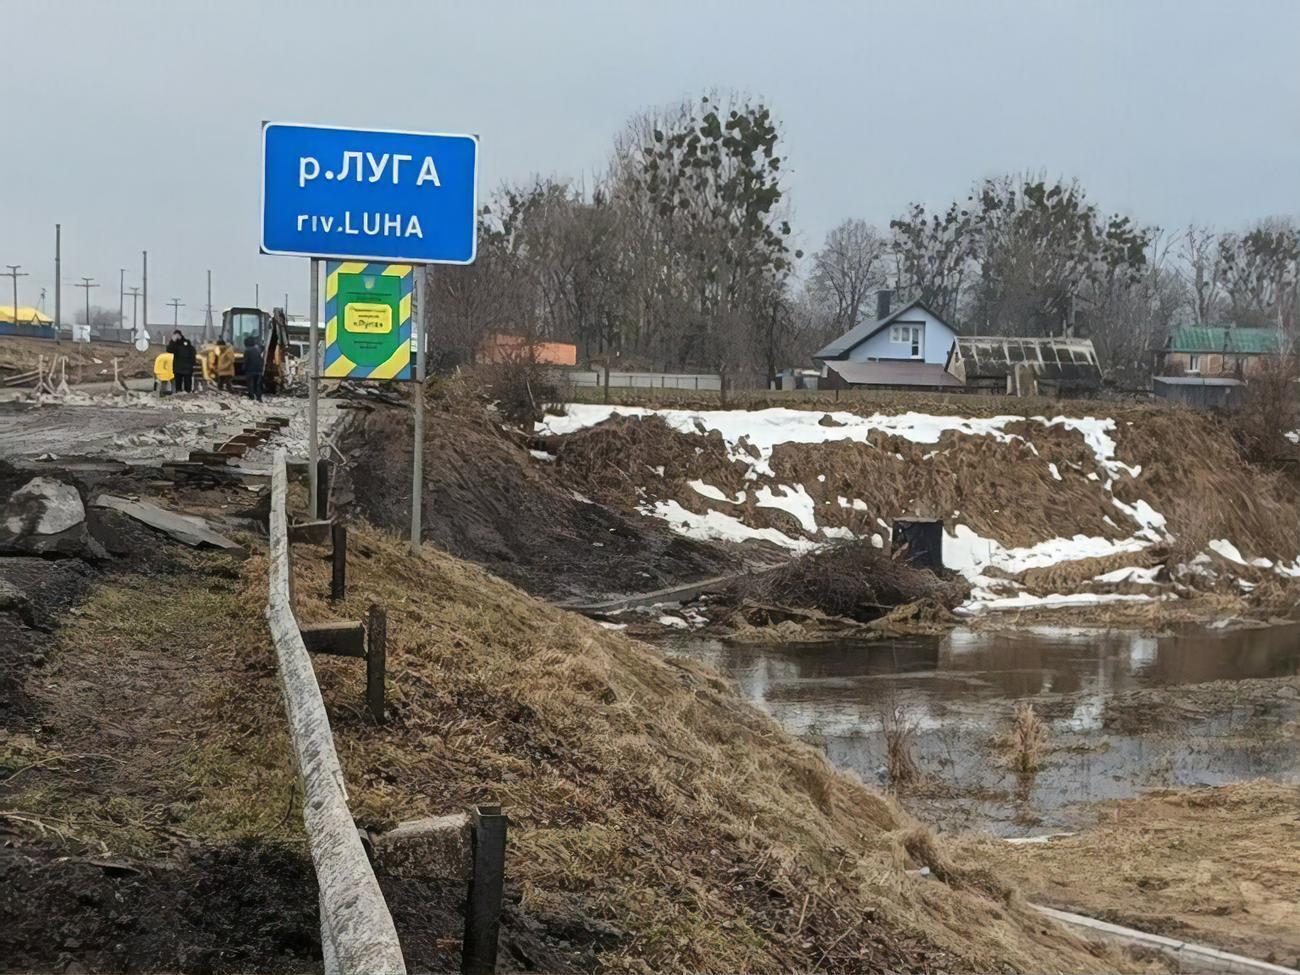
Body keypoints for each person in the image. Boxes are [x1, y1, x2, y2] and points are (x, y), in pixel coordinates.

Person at [243, 334, 265, 402]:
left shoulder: (247, 350)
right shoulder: (257, 349)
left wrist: (243, 368)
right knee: (257, 384)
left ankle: (251, 396)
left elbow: (246, 361)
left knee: (250, 384)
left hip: (251, 370)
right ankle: (259, 397)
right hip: (259, 370)